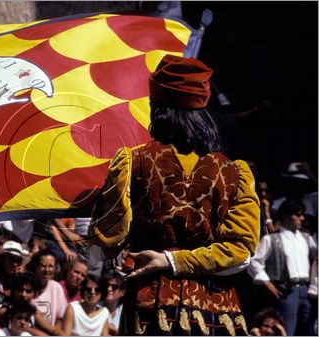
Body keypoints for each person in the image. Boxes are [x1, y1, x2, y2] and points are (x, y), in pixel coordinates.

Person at [88, 54, 261, 335]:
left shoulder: (132, 162)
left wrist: (163, 259)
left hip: (153, 307)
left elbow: (106, 242)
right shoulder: (234, 172)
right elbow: (240, 253)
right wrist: (178, 259)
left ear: (157, 108)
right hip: (218, 312)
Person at [248, 199, 317, 336]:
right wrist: (267, 282)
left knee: (307, 331)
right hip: (287, 291)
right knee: (287, 330)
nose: (302, 218)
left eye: (302, 214)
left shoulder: (307, 238)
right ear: (286, 216)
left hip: (307, 291)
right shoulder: (272, 239)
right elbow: (255, 261)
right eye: (298, 215)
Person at [26, 250, 68, 329]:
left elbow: (61, 318)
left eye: (51, 266)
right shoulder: (26, 288)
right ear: (36, 267)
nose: (47, 270)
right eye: (43, 265)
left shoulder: (56, 287)